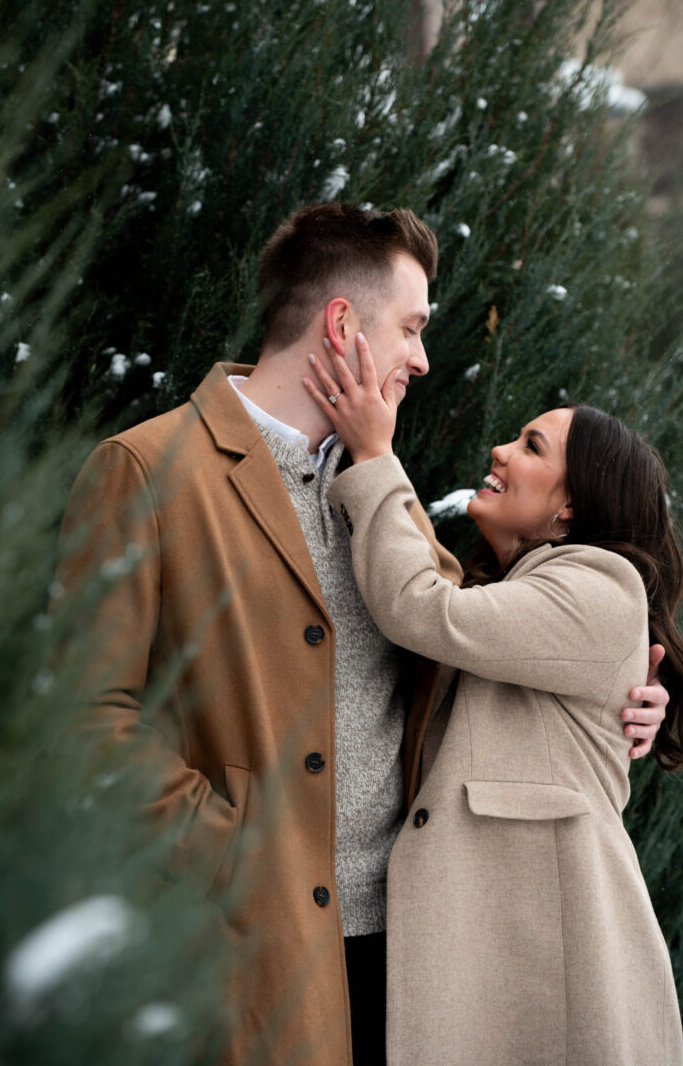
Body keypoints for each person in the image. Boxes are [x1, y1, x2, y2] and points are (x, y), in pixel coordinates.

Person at [57, 203, 667, 1066]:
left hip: (417, 959)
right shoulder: (146, 471)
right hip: (247, 953)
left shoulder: (379, 492)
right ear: (342, 325)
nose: (421, 357)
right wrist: (231, 850)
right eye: (412, 328)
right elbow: (88, 719)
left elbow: (471, 652)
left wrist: (622, 705)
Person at [303, 333, 683, 1065]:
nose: (501, 451)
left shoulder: (603, 588)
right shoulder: (519, 597)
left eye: (532, 446)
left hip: (549, 966)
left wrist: (374, 456)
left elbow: (419, 607)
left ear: (572, 508)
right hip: (491, 954)